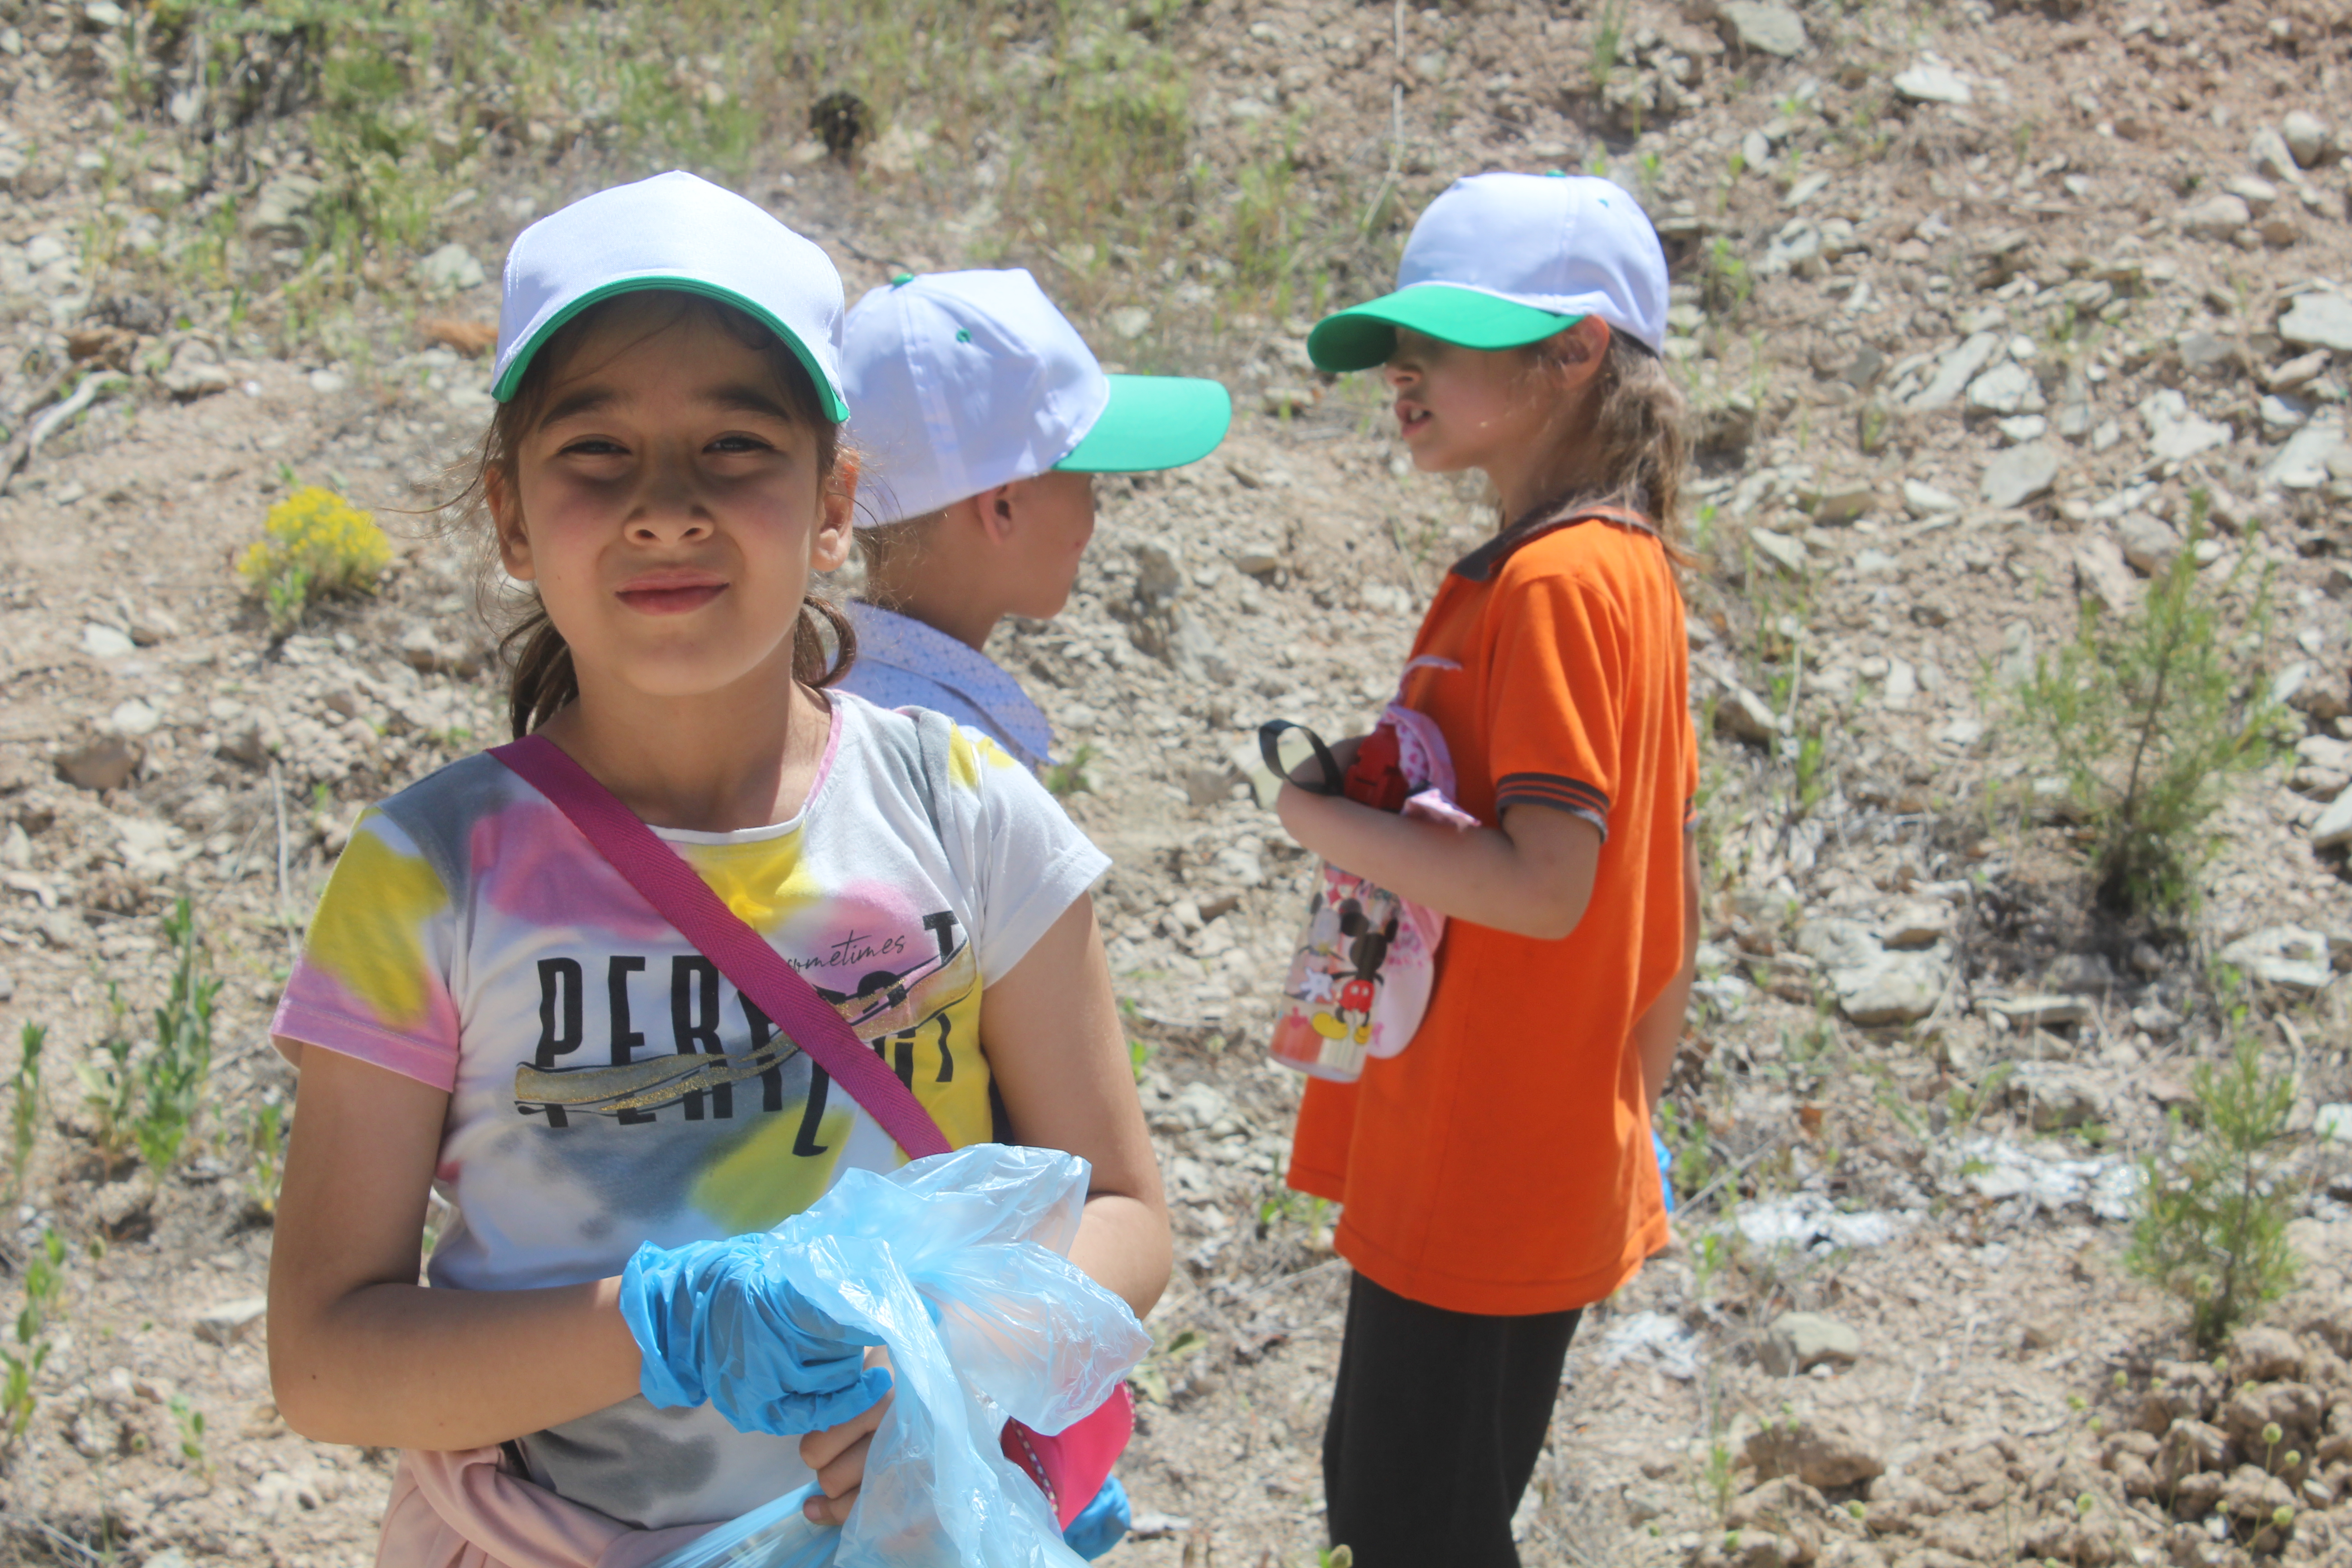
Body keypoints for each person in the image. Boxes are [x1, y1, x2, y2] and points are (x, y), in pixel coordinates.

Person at [262, 172, 1170, 1565]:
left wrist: (957, 1352)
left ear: (834, 503)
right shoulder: (430, 880)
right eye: (597, 453)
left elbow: (1123, 1212)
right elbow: (327, 1362)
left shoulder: (971, 814)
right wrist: (657, 1326)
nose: (668, 509)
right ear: (511, 516)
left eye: (737, 446)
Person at [1273, 172, 1701, 1568]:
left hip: (1493, 1155)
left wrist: (1322, 823)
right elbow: (1649, 888)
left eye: (1443, 341)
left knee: (1411, 1527)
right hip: (1491, 1140)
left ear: (1576, 352)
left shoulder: (1561, 583)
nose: (1405, 371)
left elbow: (1547, 885)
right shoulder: (1573, 571)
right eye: (1397, 342)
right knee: (1403, 1510)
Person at [835, 268, 1231, 771]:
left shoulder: (818, 689)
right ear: (1004, 507)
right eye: (1090, 483)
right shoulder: (963, 762)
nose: (1095, 517)